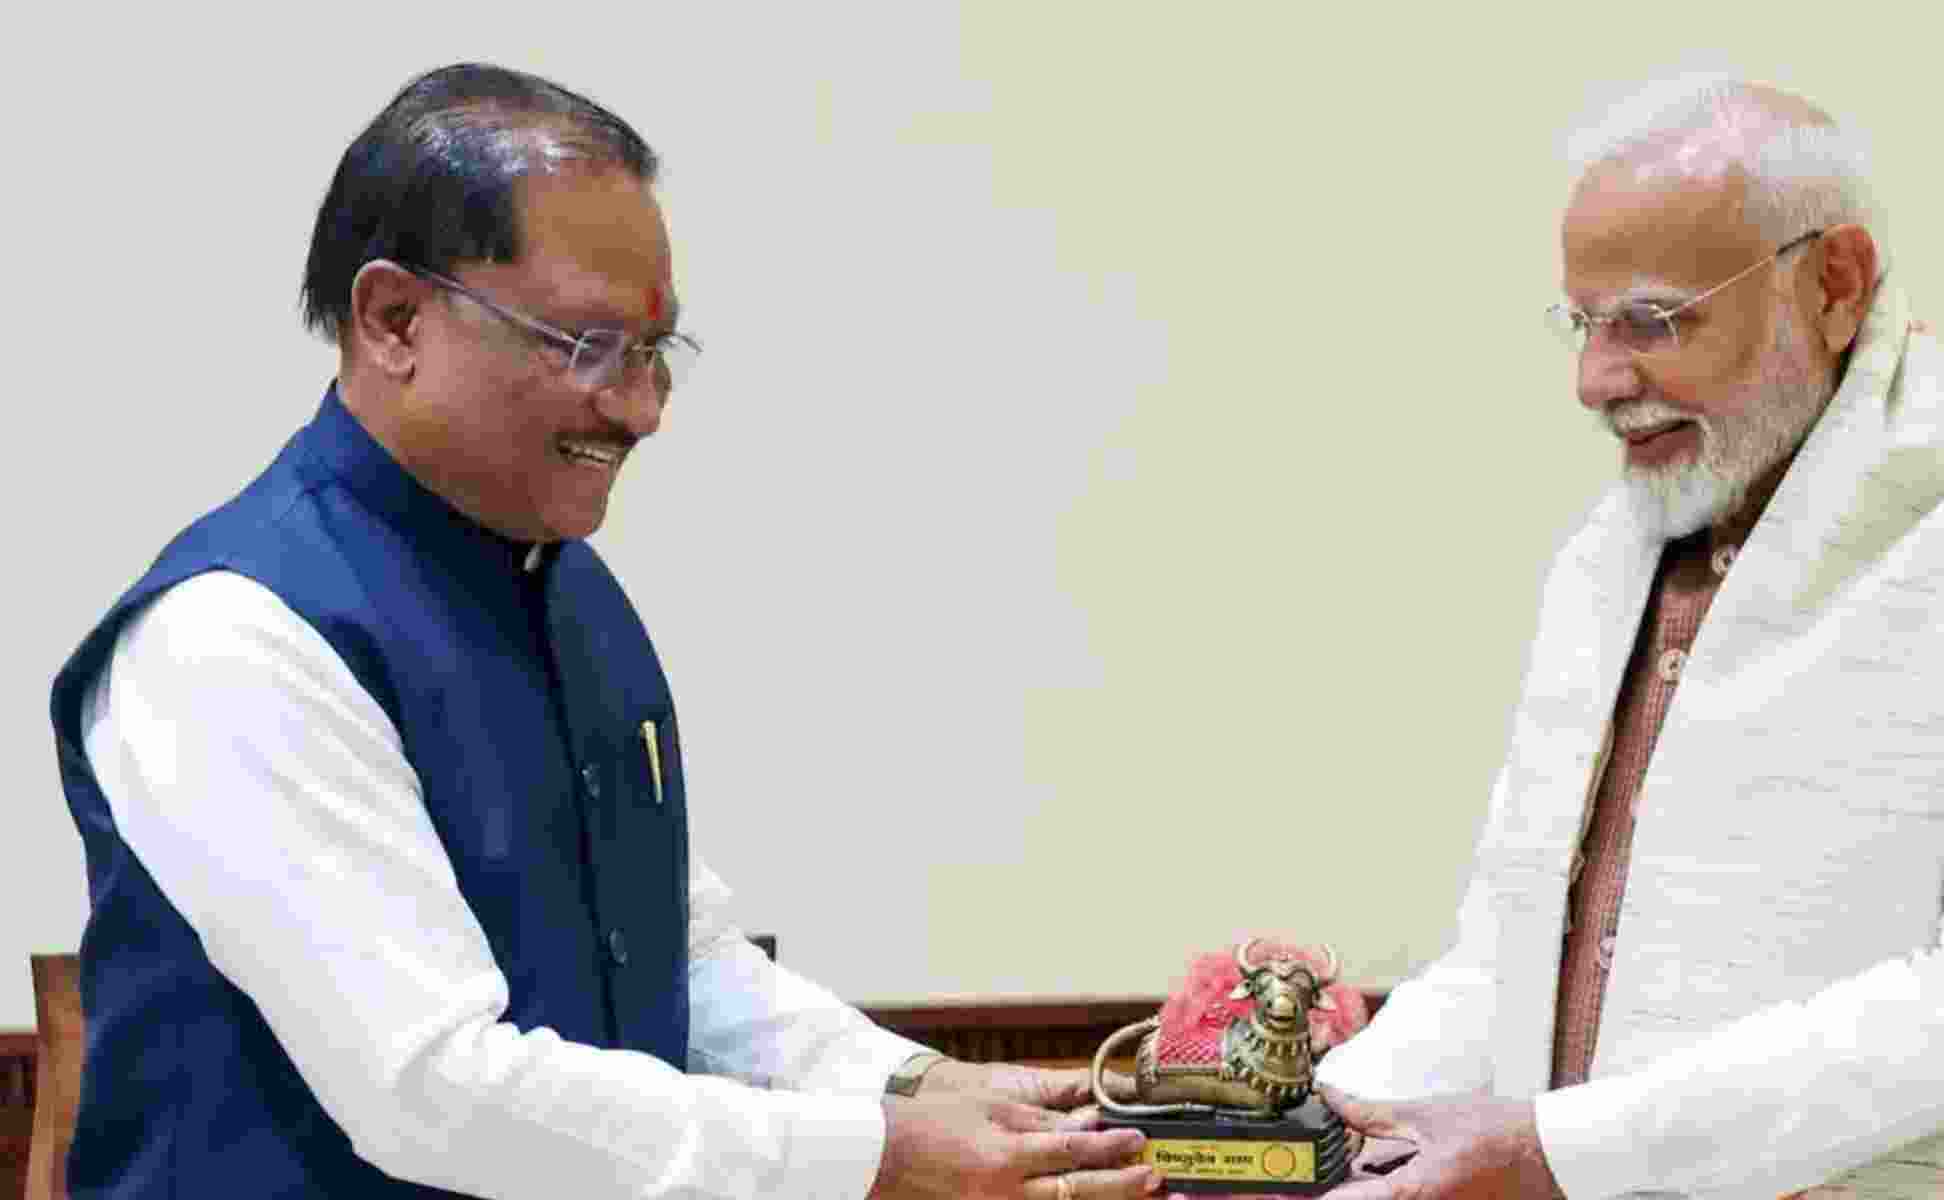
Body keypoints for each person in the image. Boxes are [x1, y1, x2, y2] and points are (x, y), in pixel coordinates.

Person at [49, 63, 1158, 1200]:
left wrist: (914, 1085)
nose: (641, 408)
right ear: (393, 320)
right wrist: (880, 1157)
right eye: (586, 344)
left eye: (654, 350)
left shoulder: (567, 591)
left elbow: (677, 959)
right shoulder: (232, 637)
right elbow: (436, 1091)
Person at [1309, 75, 1944, 1199]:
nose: (1594, 381)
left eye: (1653, 320)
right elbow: (1508, 964)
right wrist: (1283, 1132)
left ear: (1834, 284)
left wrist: (1561, 1151)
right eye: (1583, 324)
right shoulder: (1609, 561)